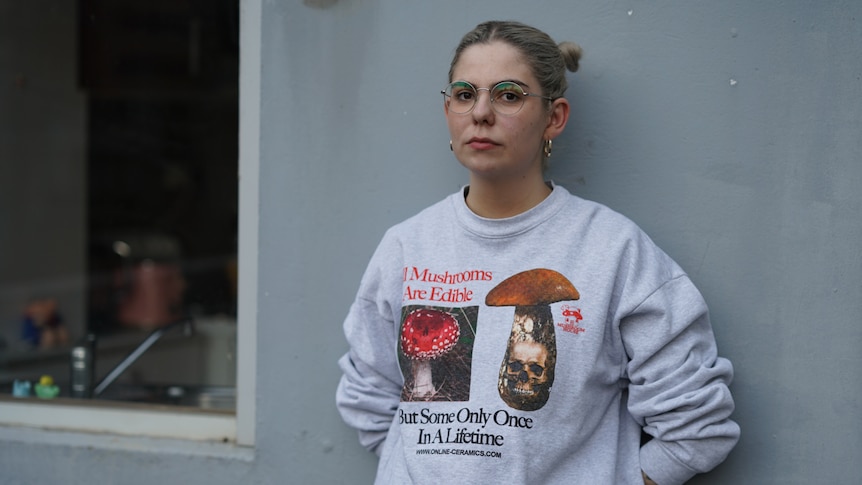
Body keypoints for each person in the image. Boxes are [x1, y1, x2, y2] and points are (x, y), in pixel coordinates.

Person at [336, 20, 739, 485]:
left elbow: (698, 429)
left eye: (508, 95)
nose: (481, 112)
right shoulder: (408, 245)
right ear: (448, 108)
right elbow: (368, 396)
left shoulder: (612, 250)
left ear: (555, 117)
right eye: (465, 94)